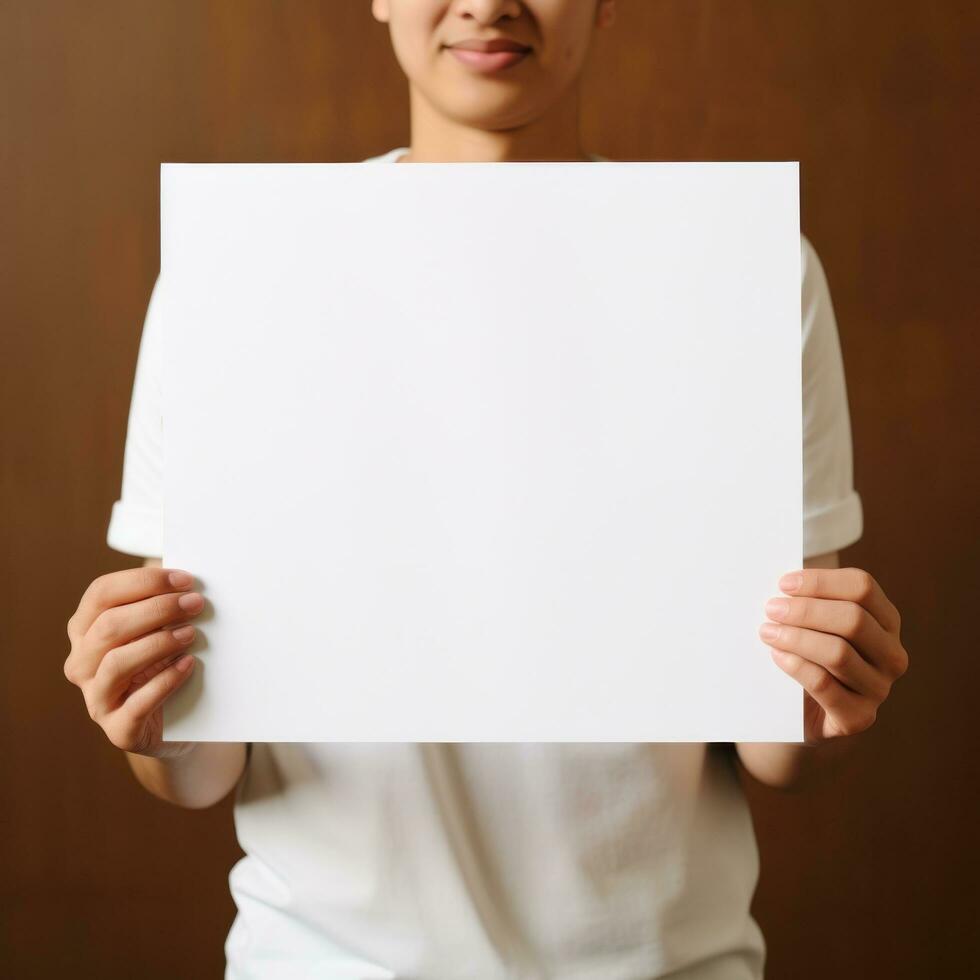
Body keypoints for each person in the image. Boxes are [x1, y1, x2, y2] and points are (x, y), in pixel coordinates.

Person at [63, 2, 910, 977]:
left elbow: (778, 741)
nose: (485, 2)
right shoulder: (242, 278)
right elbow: (199, 761)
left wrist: (829, 681)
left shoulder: (742, 273)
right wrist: (143, 700)